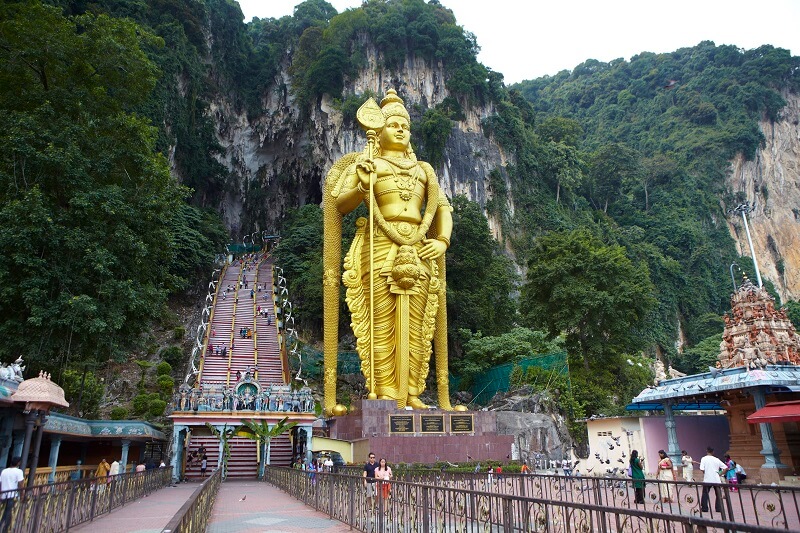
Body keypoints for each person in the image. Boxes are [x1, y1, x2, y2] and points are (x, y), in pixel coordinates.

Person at [323, 89, 453, 412]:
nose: (400, 130)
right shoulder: (370, 163)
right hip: (380, 245)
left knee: (418, 324)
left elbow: (442, 208)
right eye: (393, 124)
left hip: (419, 248)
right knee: (381, 321)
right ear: (379, 130)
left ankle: (412, 392)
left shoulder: (424, 170)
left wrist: (442, 240)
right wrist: (360, 185)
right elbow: (340, 204)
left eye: (404, 126)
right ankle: (384, 391)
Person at [699, 447, 727, 513]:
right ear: (713, 452)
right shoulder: (716, 459)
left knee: (705, 494)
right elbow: (725, 468)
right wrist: (720, 473)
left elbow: (702, 469)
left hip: (707, 479)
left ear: (707, 451)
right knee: (718, 494)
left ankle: (704, 508)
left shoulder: (704, 458)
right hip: (716, 479)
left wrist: (706, 472)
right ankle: (719, 508)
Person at [0, 457, 24, 532]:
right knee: (8, 514)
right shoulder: (19, 471)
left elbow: (0, 483)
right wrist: (22, 495)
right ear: (18, 463)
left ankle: (4, 528)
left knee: (4, 513)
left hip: (3, 494)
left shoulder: (4, 471)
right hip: (12, 495)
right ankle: (5, 530)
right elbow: (21, 484)